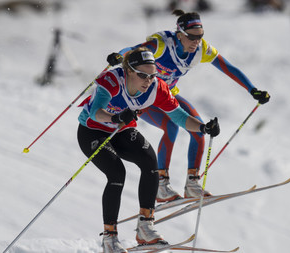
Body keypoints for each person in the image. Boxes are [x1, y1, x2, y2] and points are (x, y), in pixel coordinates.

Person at [107, 9, 270, 203]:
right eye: (192, 37)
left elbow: (228, 68)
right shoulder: (161, 45)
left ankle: (192, 185)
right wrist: (119, 55)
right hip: (144, 97)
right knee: (171, 127)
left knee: (200, 128)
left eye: (200, 36)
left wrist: (252, 90)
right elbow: (134, 50)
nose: (196, 41)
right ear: (179, 35)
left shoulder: (202, 49)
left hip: (167, 95)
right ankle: (161, 184)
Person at [77, 47, 220, 253]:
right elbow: (96, 113)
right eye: (143, 75)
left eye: (152, 75)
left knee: (150, 161)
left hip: (122, 130)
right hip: (92, 131)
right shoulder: (112, 81)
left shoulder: (157, 88)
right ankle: (110, 239)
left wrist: (202, 127)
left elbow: (179, 116)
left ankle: (145, 227)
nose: (148, 80)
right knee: (117, 173)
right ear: (128, 71)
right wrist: (115, 117)